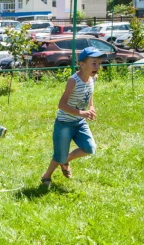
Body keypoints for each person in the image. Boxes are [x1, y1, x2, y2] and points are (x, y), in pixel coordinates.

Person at [40, 47, 105, 186]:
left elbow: (90, 93)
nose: (98, 66)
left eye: (99, 63)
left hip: (80, 122)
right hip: (64, 123)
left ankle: (65, 161)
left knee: (90, 148)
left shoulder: (93, 78)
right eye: (94, 63)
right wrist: (82, 113)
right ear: (82, 64)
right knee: (59, 155)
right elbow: (61, 104)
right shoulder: (73, 81)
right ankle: (46, 176)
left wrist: (91, 107)